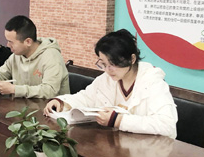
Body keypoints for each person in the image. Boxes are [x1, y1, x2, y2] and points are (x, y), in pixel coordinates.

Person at [43, 29, 178, 138]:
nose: (108, 70)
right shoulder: (107, 78)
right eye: (103, 64)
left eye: (113, 64)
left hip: (151, 151)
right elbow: (86, 97)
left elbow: (167, 124)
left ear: (132, 59)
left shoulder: (153, 82)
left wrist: (119, 121)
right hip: (119, 144)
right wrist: (62, 102)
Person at [0, 15, 70, 98]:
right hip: (24, 107)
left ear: (28, 42)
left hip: (51, 110)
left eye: (11, 42)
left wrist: (14, 89)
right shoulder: (16, 55)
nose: (8, 45)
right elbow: (0, 74)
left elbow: (49, 91)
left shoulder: (51, 57)